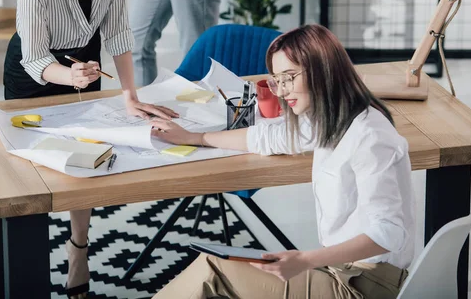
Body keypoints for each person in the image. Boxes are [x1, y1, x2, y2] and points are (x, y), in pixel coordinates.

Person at [148, 24, 416, 299]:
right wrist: (195, 138)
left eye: (289, 77)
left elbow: (388, 234)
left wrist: (306, 260)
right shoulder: (331, 120)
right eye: (277, 79)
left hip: (363, 285)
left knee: (213, 268)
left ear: (323, 70)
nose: (281, 90)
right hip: (342, 269)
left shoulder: (370, 137)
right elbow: (267, 137)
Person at [2, 0, 178, 297]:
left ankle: (78, 249)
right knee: (31, 169)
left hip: (86, 63)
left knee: (85, 161)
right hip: (36, 72)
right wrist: (68, 76)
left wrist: (130, 96)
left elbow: (117, 34)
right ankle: (25, 262)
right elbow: (34, 58)